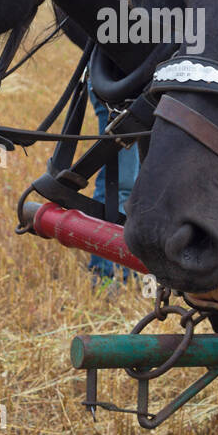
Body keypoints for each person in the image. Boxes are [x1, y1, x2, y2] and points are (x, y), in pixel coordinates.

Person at [85, 80, 139, 285]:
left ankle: (130, 270)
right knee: (118, 185)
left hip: (146, 93)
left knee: (134, 185)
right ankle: (105, 274)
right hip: (119, 94)